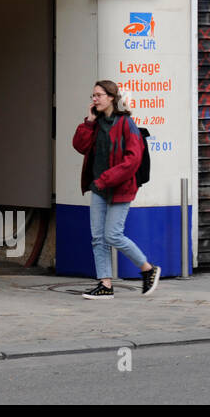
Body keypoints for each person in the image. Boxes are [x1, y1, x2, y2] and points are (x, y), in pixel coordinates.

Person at [73, 79, 161, 299]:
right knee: (97, 238)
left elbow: (133, 160)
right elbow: (79, 146)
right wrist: (89, 122)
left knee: (112, 235)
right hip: (100, 187)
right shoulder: (96, 123)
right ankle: (105, 284)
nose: (94, 99)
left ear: (111, 97)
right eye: (93, 96)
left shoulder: (126, 123)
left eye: (98, 95)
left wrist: (106, 178)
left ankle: (148, 269)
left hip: (120, 187)